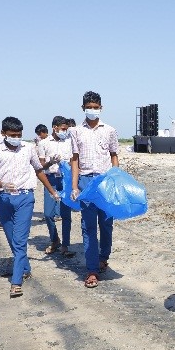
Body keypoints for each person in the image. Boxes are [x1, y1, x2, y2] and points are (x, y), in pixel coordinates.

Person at [0, 117, 60, 298]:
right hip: (4, 200)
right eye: (13, 135)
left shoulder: (28, 149)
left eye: (19, 135)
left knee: (20, 241)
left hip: (25, 198)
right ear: (3, 133)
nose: (16, 138)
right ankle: (25, 268)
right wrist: (2, 184)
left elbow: (38, 170)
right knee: (12, 240)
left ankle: (16, 281)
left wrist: (51, 191)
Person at [69, 91, 119, 289]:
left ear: (101, 108)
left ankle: (103, 257)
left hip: (106, 181)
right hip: (85, 181)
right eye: (89, 107)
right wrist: (74, 186)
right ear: (83, 108)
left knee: (106, 224)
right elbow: (74, 159)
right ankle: (91, 270)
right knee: (88, 226)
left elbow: (114, 155)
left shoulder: (110, 131)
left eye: (95, 107)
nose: (92, 110)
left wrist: (115, 179)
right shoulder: (76, 132)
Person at [37, 116, 74, 257]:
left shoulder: (69, 142)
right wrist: (51, 162)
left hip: (65, 181)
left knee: (66, 215)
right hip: (50, 180)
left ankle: (65, 245)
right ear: (55, 128)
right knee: (48, 214)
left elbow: (73, 162)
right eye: (63, 129)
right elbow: (40, 166)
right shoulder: (44, 144)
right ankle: (54, 239)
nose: (65, 131)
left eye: (66, 129)